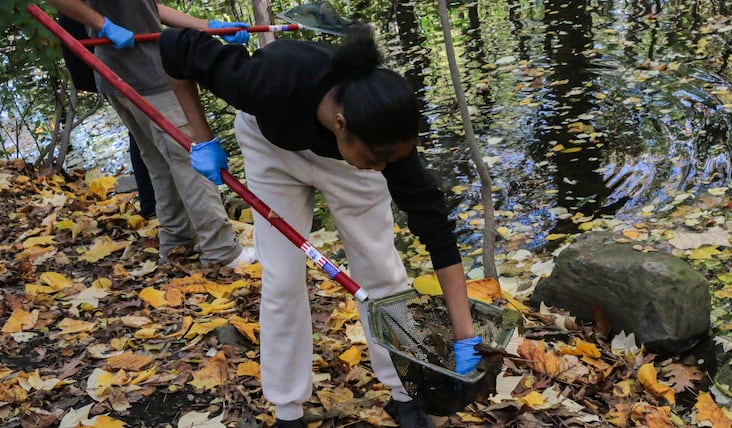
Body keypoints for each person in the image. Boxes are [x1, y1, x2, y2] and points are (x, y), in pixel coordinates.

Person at [158, 24, 483, 428]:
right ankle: (288, 409)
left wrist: (464, 333)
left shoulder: (384, 140)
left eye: (392, 161)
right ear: (342, 123)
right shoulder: (269, 79)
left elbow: (438, 234)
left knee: (381, 271)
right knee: (281, 278)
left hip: (346, 162)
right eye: (379, 160)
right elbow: (176, 45)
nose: (384, 170)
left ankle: (405, 393)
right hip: (272, 144)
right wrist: (201, 138)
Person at [47, 0, 256, 268]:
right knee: (191, 162)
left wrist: (207, 27)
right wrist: (103, 25)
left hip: (123, 71)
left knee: (160, 162)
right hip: (141, 73)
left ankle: (176, 243)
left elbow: (148, 8)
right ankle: (222, 252)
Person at [58, 12, 157, 220]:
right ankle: (155, 207)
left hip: (116, 51)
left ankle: (155, 207)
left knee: (142, 132)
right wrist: (103, 25)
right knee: (145, 133)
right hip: (113, 54)